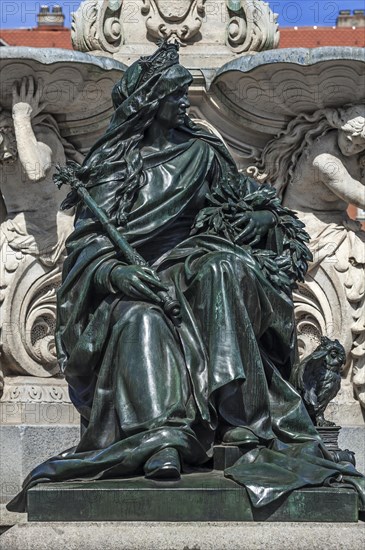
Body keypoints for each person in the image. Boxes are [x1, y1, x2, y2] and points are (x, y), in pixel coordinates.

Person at [8, 42, 365, 513]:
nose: (184, 102)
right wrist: (119, 274)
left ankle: (244, 420)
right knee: (140, 318)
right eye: (175, 95)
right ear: (151, 104)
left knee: (224, 268)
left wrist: (262, 223)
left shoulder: (203, 153)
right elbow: (85, 249)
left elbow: (258, 209)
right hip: (132, 280)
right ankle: (162, 441)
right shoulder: (114, 167)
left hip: (196, 260)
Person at [248, 105, 365, 407]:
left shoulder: (352, 153)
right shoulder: (325, 159)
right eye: (350, 138)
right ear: (340, 127)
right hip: (307, 225)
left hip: (335, 220)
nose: (352, 145)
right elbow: (354, 192)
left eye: (360, 142)